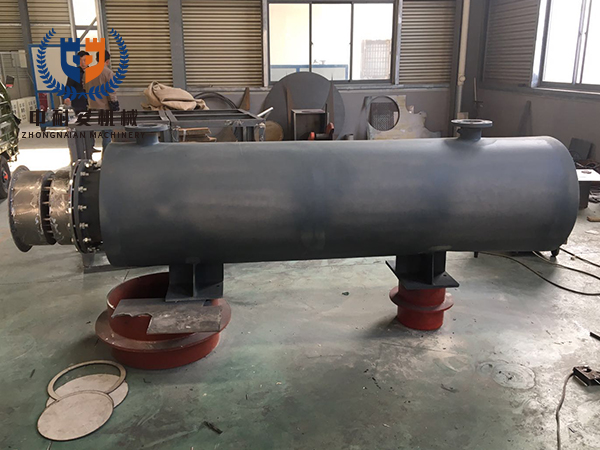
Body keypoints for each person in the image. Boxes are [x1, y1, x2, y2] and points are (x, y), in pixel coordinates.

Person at [86, 50, 119, 149]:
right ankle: (106, 156)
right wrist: (115, 106)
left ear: (96, 59)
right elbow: (111, 92)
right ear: (107, 61)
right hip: (105, 108)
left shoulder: (88, 72)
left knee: (90, 132)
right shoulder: (108, 73)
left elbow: (85, 88)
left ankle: (88, 154)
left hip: (92, 107)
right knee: (107, 133)